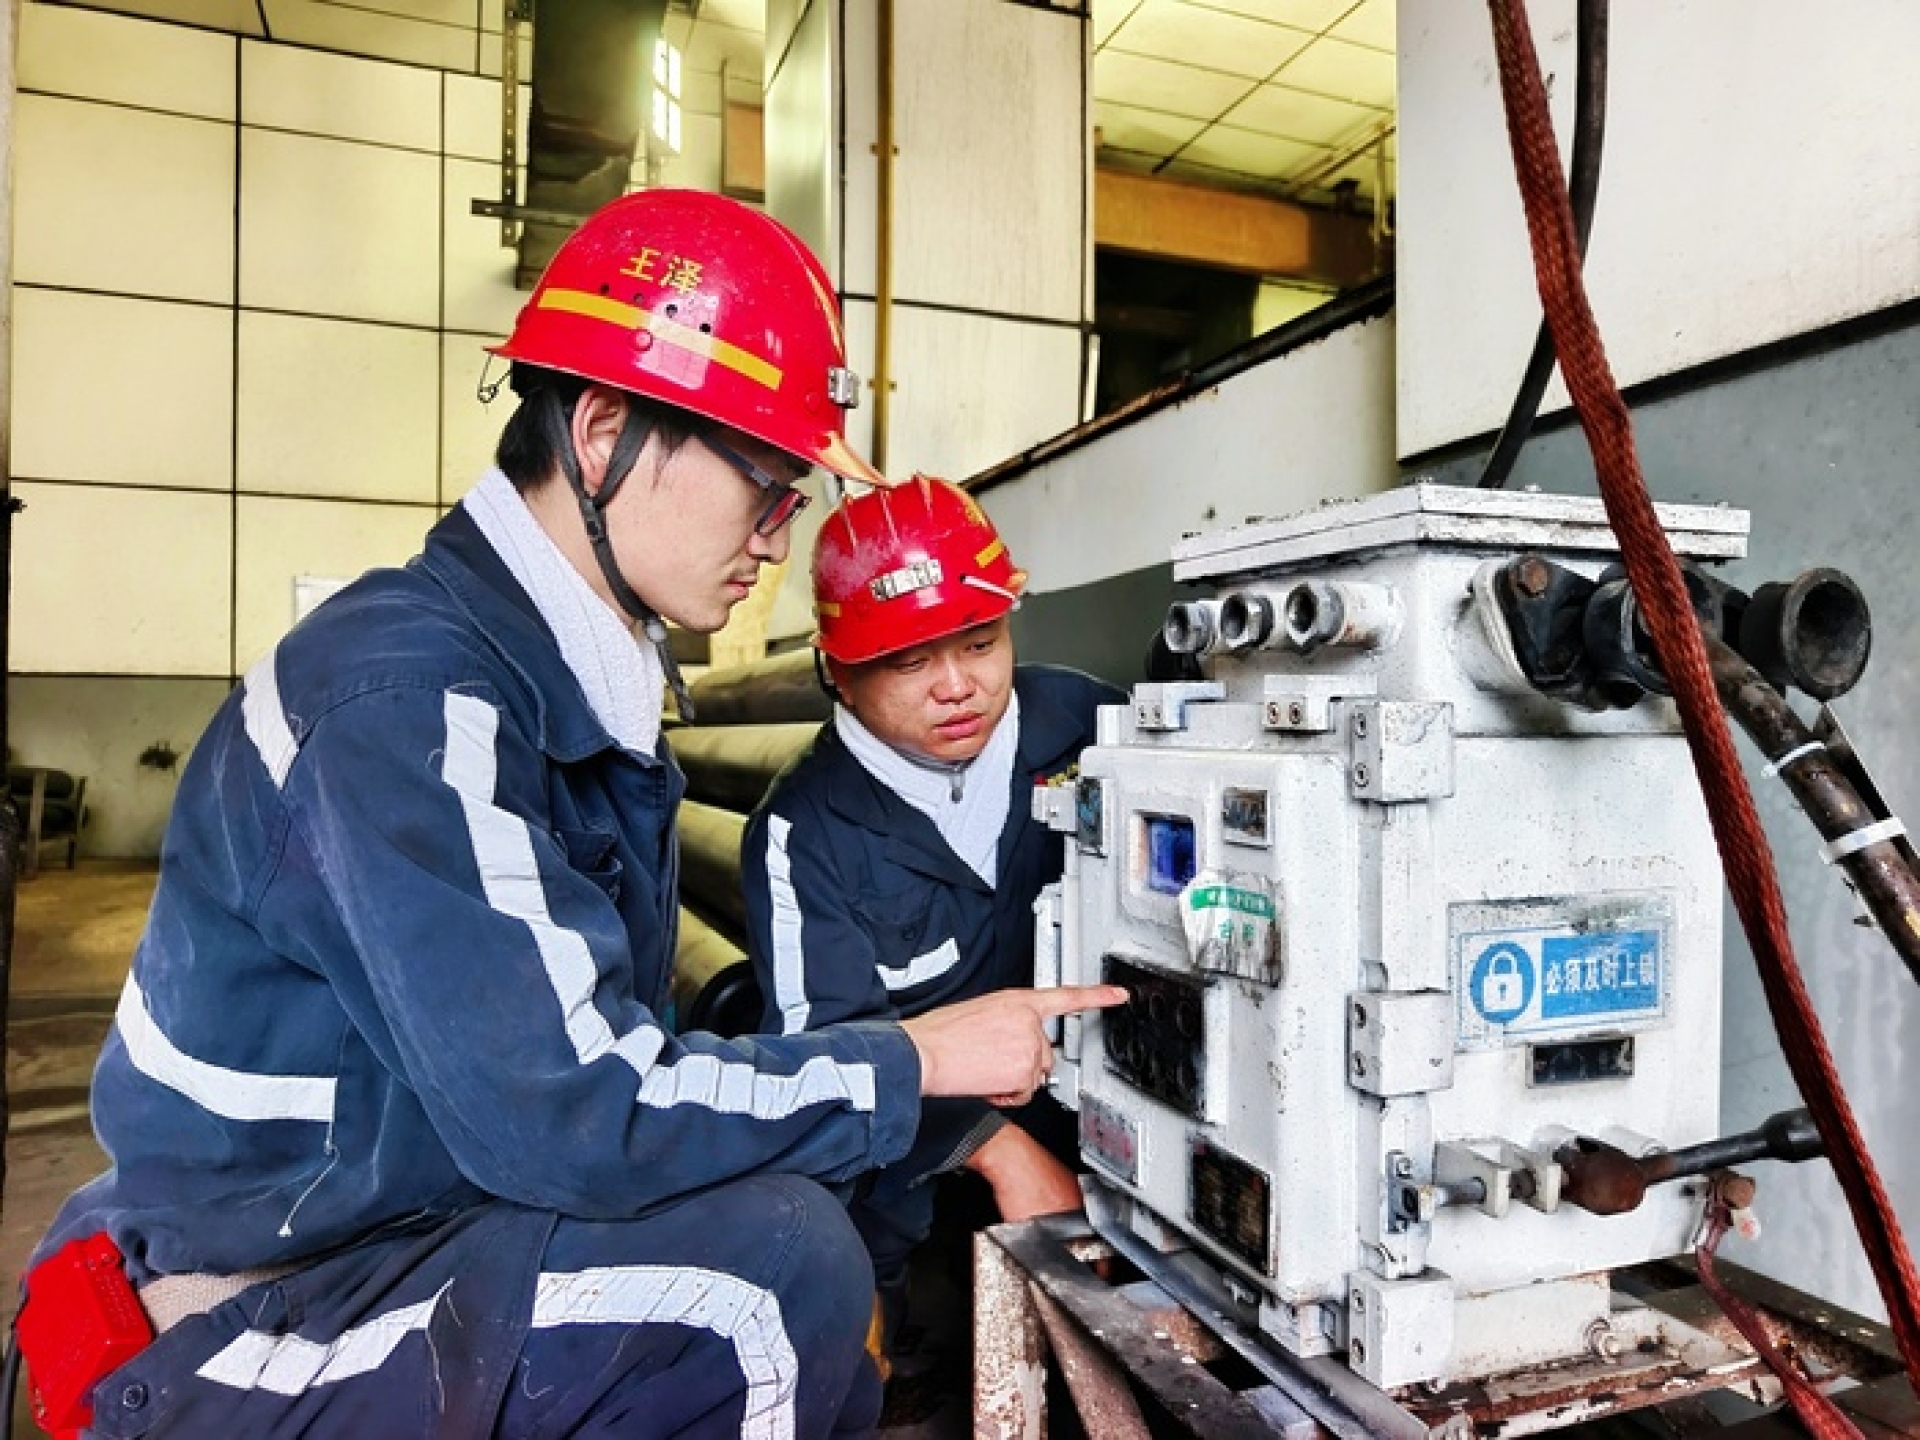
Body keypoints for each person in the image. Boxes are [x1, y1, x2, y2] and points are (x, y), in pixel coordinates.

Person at [20, 189, 1123, 1440]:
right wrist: (920, 1058)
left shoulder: (561, 694)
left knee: (770, 1211)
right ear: (604, 433)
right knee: (768, 1282)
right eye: (766, 486)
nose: (776, 539)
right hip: (258, 1288)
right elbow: (578, 1111)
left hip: (409, 1216)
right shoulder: (405, 700)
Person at [740, 476, 1126, 1357]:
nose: (958, 686)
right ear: (837, 672)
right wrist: (998, 1148)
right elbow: (823, 1063)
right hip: (909, 1143)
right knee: (848, 1245)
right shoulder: (804, 834)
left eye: (981, 642)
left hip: (1096, 1103)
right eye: (910, 662)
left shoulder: (1085, 724)